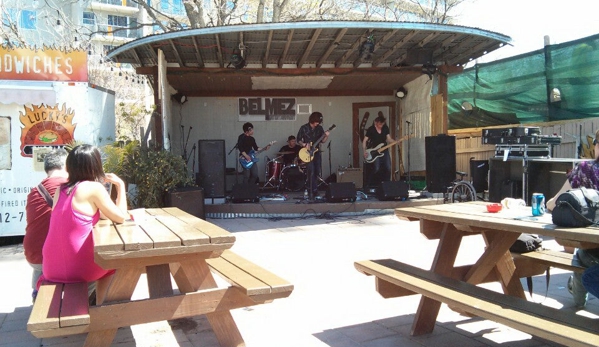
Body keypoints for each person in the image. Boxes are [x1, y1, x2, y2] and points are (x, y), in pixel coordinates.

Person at [39, 145, 128, 300]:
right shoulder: (94, 188)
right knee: (118, 265)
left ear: (69, 167)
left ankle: (98, 309)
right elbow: (121, 217)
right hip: (77, 268)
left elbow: (87, 216)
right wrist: (120, 186)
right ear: (96, 166)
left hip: (50, 267)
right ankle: (103, 313)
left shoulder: (61, 189)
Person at [547, 129, 599, 308]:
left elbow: (554, 204)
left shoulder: (586, 169)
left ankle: (577, 300)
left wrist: (547, 204)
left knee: (583, 256)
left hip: (594, 251)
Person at [23, 148, 68, 301]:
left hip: (32, 254)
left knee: (41, 265)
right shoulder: (67, 186)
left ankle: (37, 294)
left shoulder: (35, 191)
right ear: (66, 165)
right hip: (51, 256)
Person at [297, 112, 330, 196]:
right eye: (316, 121)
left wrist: (326, 136)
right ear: (312, 120)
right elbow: (298, 140)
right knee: (310, 170)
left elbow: (323, 141)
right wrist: (304, 144)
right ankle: (311, 190)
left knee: (316, 171)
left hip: (316, 152)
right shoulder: (304, 128)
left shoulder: (319, 128)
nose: (317, 123)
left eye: (319, 122)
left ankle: (313, 189)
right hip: (307, 152)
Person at [362, 114, 394, 188]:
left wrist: (395, 141)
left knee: (388, 167)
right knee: (376, 168)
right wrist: (364, 151)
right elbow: (364, 141)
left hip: (384, 150)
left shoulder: (385, 128)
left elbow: (389, 139)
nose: (381, 126)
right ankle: (370, 184)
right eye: (380, 124)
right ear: (375, 122)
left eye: (382, 124)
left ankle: (387, 185)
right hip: (375, 151)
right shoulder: (371, 129)